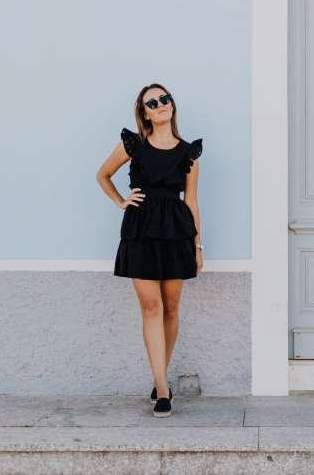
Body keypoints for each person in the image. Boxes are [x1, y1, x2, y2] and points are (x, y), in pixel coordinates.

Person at [96, 83, 204, 418]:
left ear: (172, 104)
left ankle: (160, 380)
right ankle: (162, 389)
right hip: (140, 230)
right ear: (144, 112)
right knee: (152, 307)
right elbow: (103, 175)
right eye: (151, 102)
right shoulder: (133, 145)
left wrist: (198, 244)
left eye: (164, 99)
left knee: (171, 308)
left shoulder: (189, 152)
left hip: (176, 233)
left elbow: (192, 201)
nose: (160, 104)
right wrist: (121, 202)